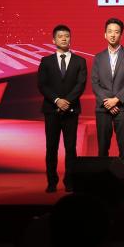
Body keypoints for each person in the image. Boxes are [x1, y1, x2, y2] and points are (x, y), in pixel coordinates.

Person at [37, 24, 87, 193]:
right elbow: (42, 85)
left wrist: (67, 102)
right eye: (60, 36)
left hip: (71, 110)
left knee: (70, 148)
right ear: (54, 40)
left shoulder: (80, 61)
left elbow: (80, 85)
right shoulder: (46, 61)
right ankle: (51, 182)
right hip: (51, 110)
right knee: (51, 147)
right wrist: (57, 100)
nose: (64, 39)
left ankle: (70, 182)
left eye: (67, 36)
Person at [91, 18, 124, 169]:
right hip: (103, 107)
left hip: (122, 107)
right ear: (105, 34)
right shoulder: (98, 57)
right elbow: (95, 83)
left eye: (116, 32)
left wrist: (116, 100)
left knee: (123, 146)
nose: (113, 35)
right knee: (103, 146)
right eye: (109, 32)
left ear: (121, 35)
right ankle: (102, 176)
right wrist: (107, 101)